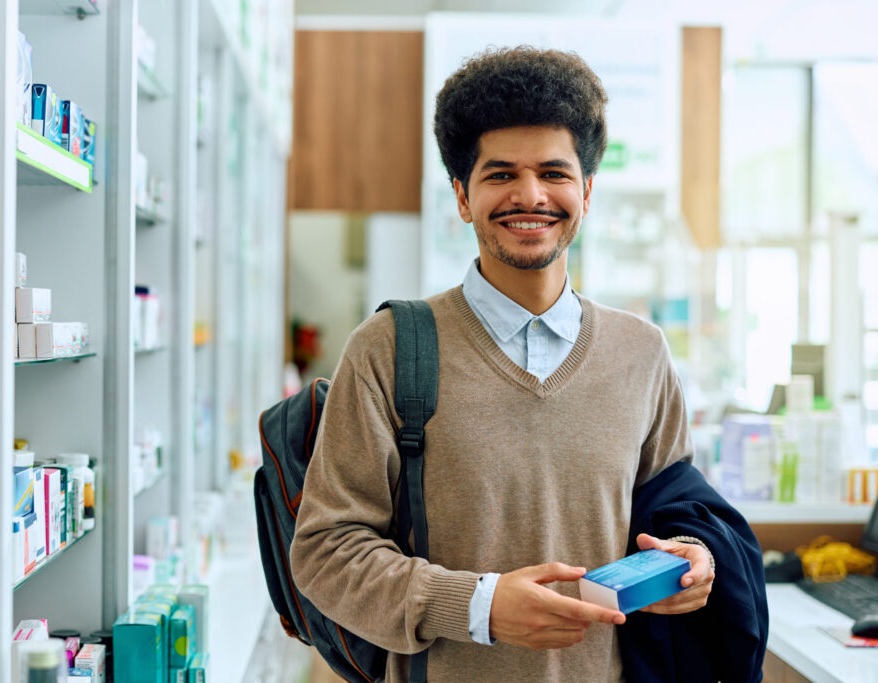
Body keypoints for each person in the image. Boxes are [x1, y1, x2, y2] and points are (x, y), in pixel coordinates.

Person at [290, 46, 766, 682]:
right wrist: (478, 606)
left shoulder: (641, 352)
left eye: (553, 172)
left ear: (586, 191)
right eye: (500, 174)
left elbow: (675, 506)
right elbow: (325, 550)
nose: (530, 195)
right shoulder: (388, 348)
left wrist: (692, 556)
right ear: (462, 197)